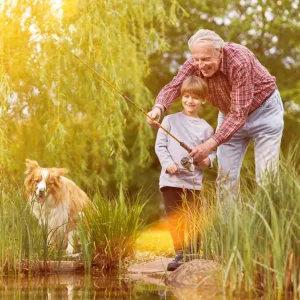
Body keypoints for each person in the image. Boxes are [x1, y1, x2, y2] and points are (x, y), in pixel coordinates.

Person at [149, 29, 284, 201]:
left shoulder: (239, 61)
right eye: (196, 59)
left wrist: (208, 145)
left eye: (206, 59)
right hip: (229, 114)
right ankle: (229, 227)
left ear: (220, 51)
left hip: (264, 112)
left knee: (266, 178)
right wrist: (158, 108)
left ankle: (271, 225)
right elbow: (175, 86)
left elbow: (239, 114)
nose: (200, 64)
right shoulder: (195, 62)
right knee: (226, 179)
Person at [155, 75, 216, 271]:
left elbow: (213, 152)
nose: (190, 101)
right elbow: (160, 146)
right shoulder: (170, 120)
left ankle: (193, 254)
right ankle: (180, 254)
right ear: (181, 97)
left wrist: (208, 160)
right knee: (175, 217)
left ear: (203, 100)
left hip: (193, 182)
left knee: (194, 218)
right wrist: (168, 163)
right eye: (186, 96)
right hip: (170, 180)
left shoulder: (207, 128)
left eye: (195, 98)